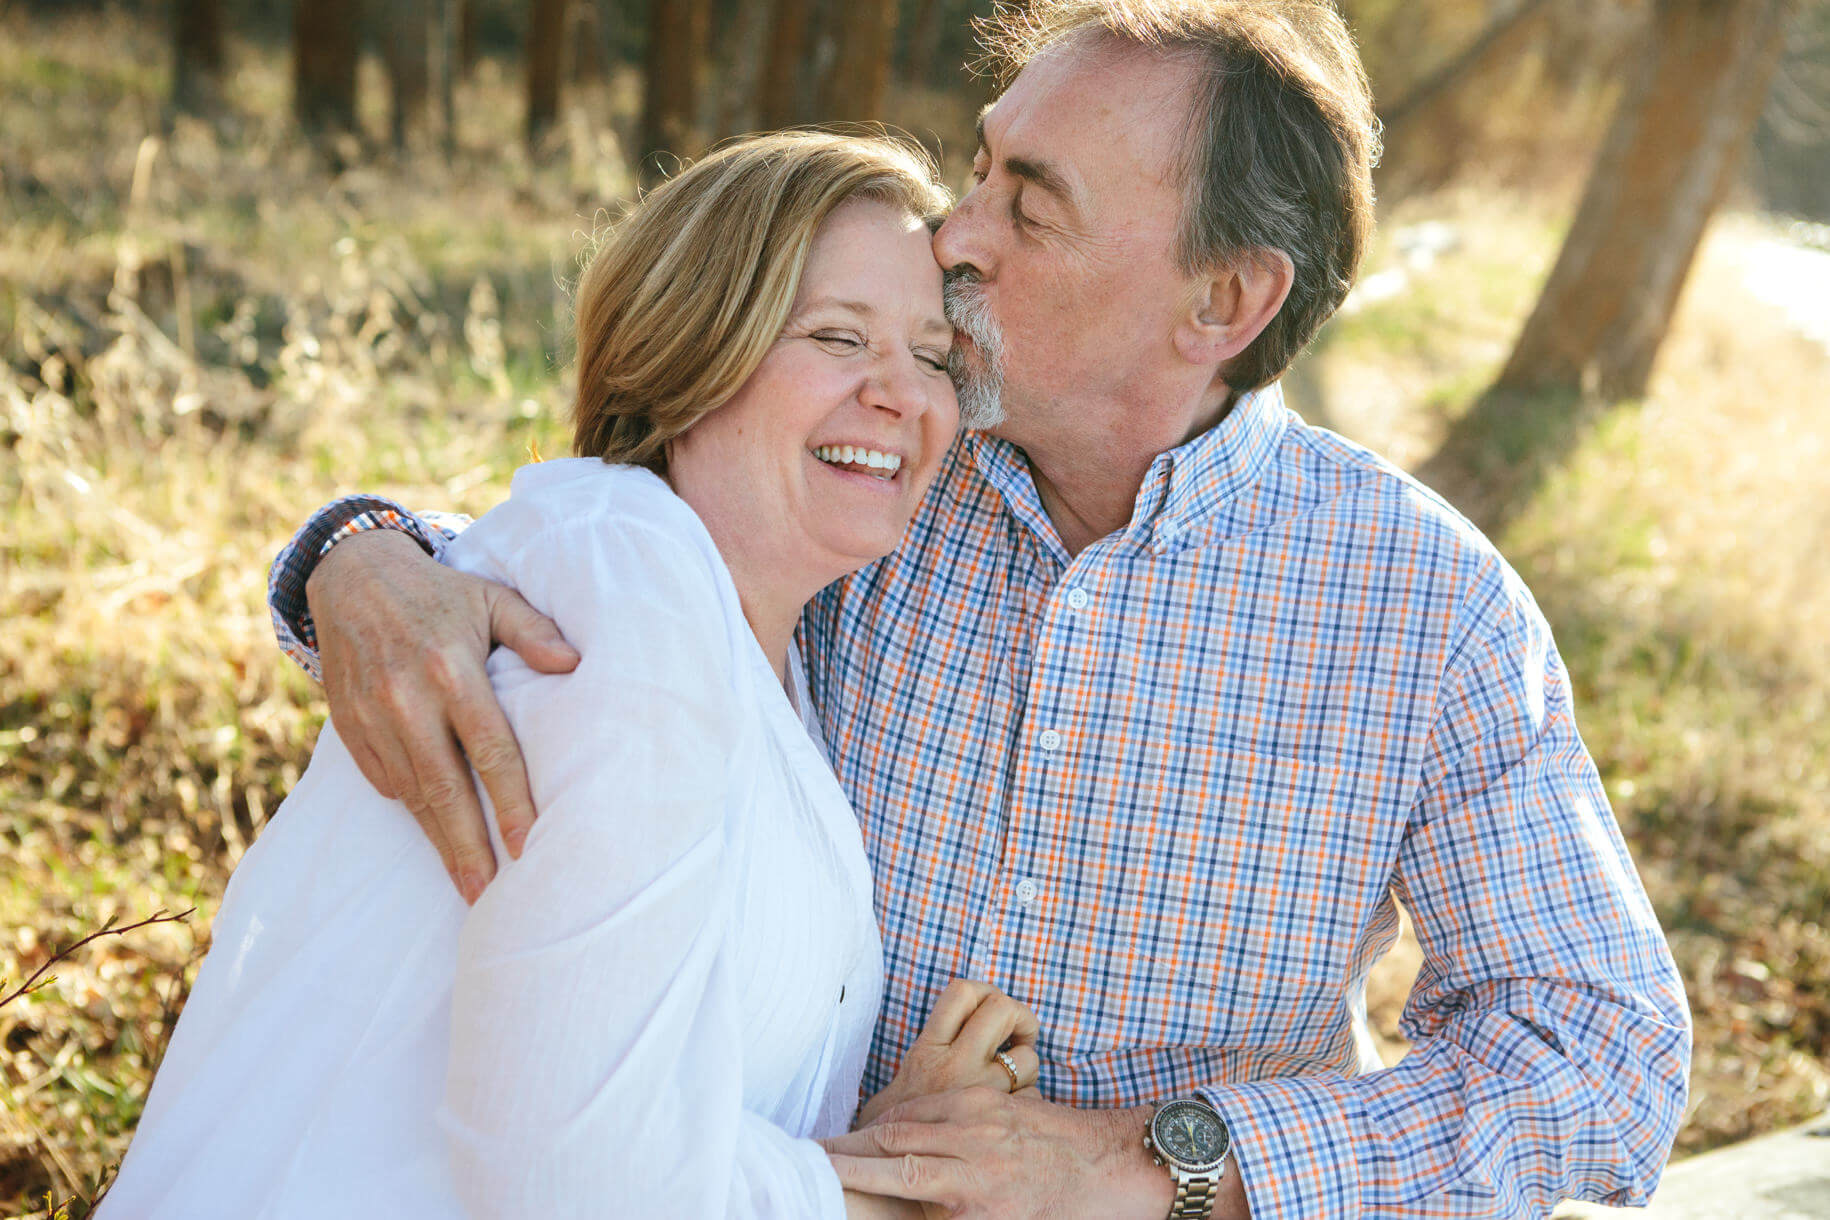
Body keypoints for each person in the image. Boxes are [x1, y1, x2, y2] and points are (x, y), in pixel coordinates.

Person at [268, 2, 1693, 1217]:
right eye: (979, 166)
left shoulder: (1421, 608)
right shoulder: (881, 471)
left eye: (1031, 201)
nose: (953, 233)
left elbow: (1601, 1054)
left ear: (1221, 301)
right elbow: (594, 578)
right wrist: (360, 550)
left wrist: (1150, 1164)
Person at [102, 131, 1045, 1220]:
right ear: (693, 353)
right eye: (839, 336)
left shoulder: (760, 646)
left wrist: (863, 1150)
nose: (902, 396)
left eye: (934, 358)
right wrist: (893, 1187)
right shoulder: (624, 581)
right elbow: (576, 1181)